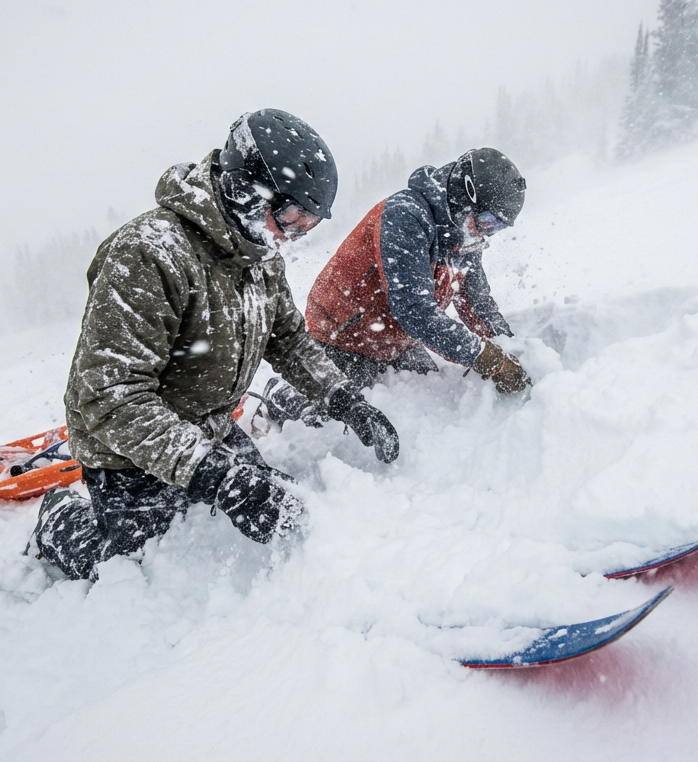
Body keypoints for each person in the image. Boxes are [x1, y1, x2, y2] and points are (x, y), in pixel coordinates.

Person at [31, 109, 400, 580]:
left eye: (306, 227)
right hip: (128, 452)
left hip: (211, 429)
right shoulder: (149, 253)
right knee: (131, 573)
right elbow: (109, 395)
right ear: (246, 188)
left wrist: (346, 401)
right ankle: (59, 517)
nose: (290, 238)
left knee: (286, 512)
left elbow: (287, 340)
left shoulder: (260, 258)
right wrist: (218, 478)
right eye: (289, 218)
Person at [258, 148, 531, 429]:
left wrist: (508, 347)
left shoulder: (463, 236)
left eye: (497, 227)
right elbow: (415, 311)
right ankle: (279, 398)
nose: (487, 232)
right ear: (464, 197)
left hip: (395, 340)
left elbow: (476, 302)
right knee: (326, 422)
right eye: (487, 220)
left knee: (427, 398)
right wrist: (487, 358)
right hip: (344, 334)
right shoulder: (405, 215)